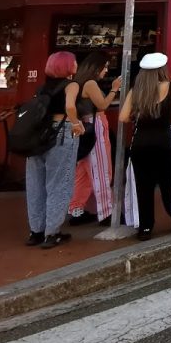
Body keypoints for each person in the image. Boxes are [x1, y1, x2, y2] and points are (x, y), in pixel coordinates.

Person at [120, 53, 171, 240]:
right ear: (163, 69)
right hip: (164, 142)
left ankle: (145, 227)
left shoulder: (136, 91)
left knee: (143, 185)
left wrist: (139, 114)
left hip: (140, 143)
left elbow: (123, 117)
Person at [25, 52, 84, 249]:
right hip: (61, 132)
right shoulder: (71, 85)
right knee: (59, 182)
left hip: (38, 136)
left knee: (35, 184)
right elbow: (70, 107)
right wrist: (76, 123)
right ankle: (52, 232)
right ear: (69, 66)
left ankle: (36, 231)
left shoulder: (41, 87)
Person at [68, 51, 122, 226]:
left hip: (84, 126)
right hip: (96, 126)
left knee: (83, 172)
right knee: (101, 170)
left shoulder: (77, 82)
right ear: (96, 67)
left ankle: (76, 210)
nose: (106, 70)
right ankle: (106, 213)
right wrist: (114, 88)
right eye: (104, 67)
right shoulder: (90, 83)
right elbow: (103, 105)